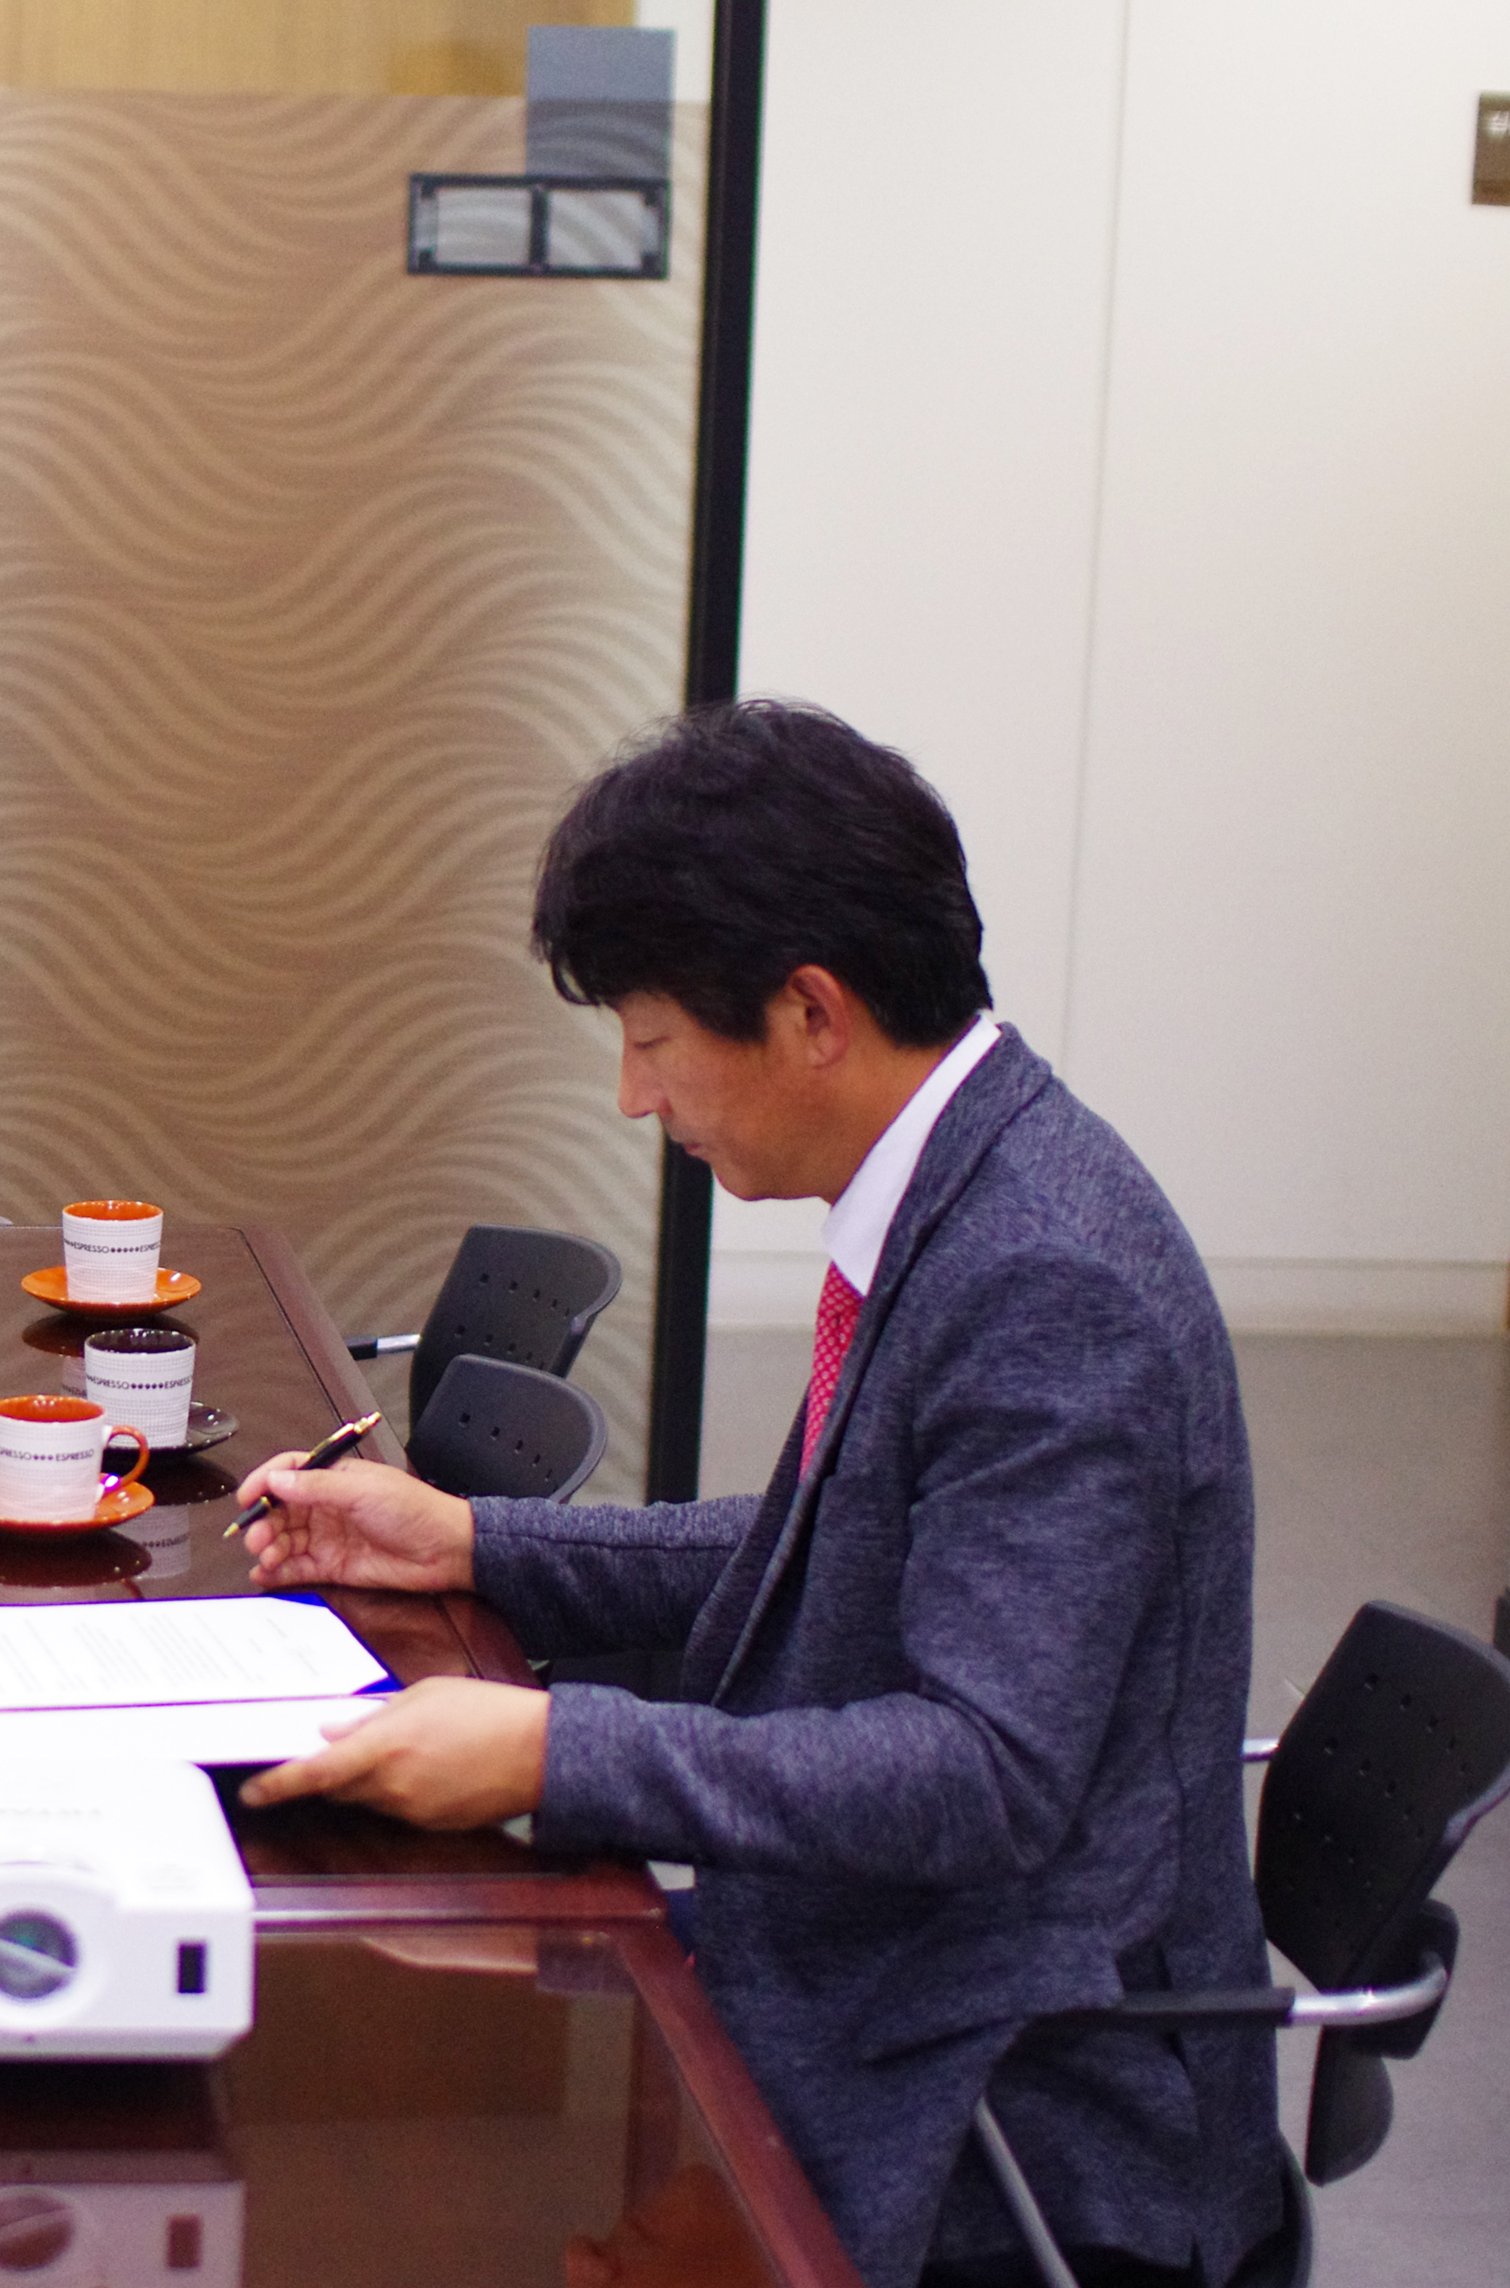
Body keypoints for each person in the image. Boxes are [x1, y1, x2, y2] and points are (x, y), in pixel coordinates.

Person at [232, 702, 1284, 2288]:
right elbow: (829, 1543)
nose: (631, 1097)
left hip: (1013, 2088)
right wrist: (470, 1538)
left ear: (809, 1012)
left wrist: (553, 1747)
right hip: (898, 1963)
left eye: (651, 1040)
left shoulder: (1044, 1277)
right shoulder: (967, 1189)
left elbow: (982, 1774)